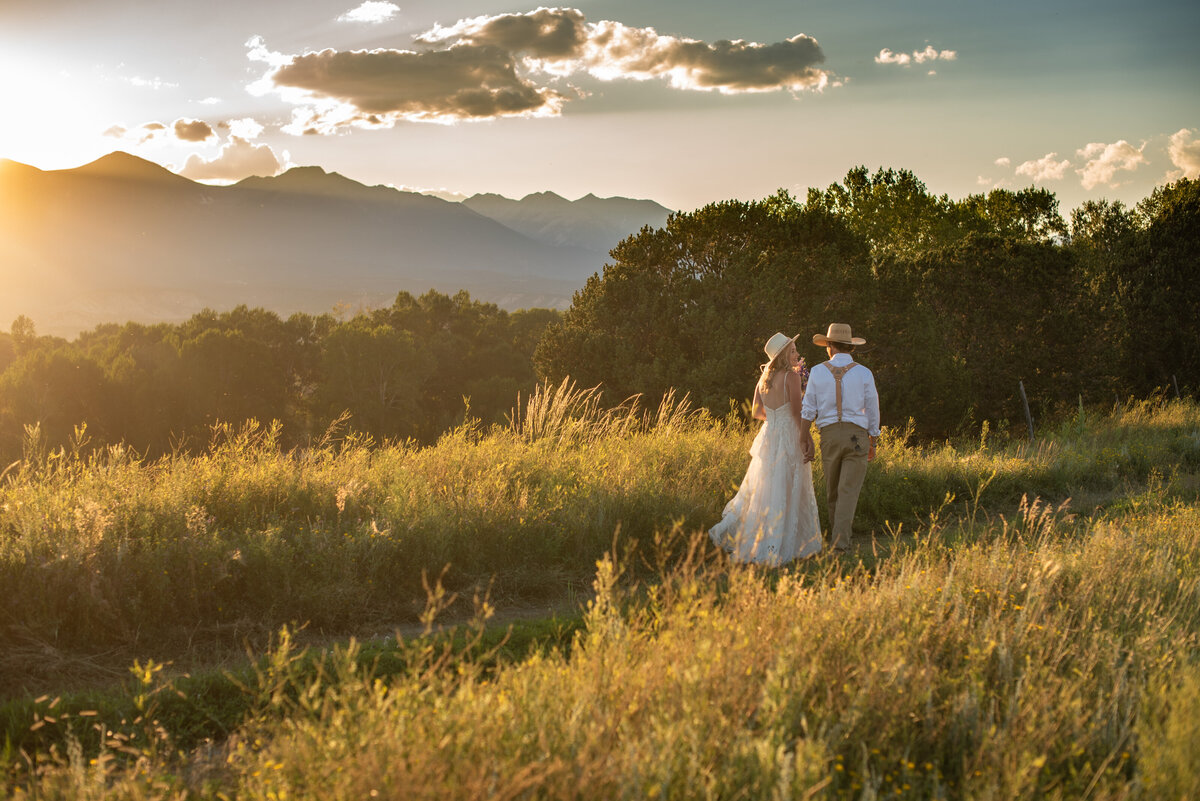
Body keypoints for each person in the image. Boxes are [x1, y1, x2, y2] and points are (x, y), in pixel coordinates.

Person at [709, 332, 822, 565]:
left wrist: (773, 418)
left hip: (769, 434)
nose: (797, 354)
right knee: (790, 487)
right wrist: (805, 436)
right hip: (788, 435)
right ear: (782, 355)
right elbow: (796, 412)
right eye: (792, 351)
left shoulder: (763, 379)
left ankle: (762, 543)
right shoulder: (790, 377)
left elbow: (756, 412)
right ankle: (786, 545)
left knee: (767, 489)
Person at [799, 323, 880, 554]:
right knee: (848, 491)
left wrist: (804, 438)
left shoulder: (816, 371)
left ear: (830, 346)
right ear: (850, 347)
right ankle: (840, 543)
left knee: (833, 490)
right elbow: (873, 408)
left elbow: (808, 409)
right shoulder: (864, 373)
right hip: (857, 435)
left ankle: (838, 541)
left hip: (829, 435)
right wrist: (873, 439)